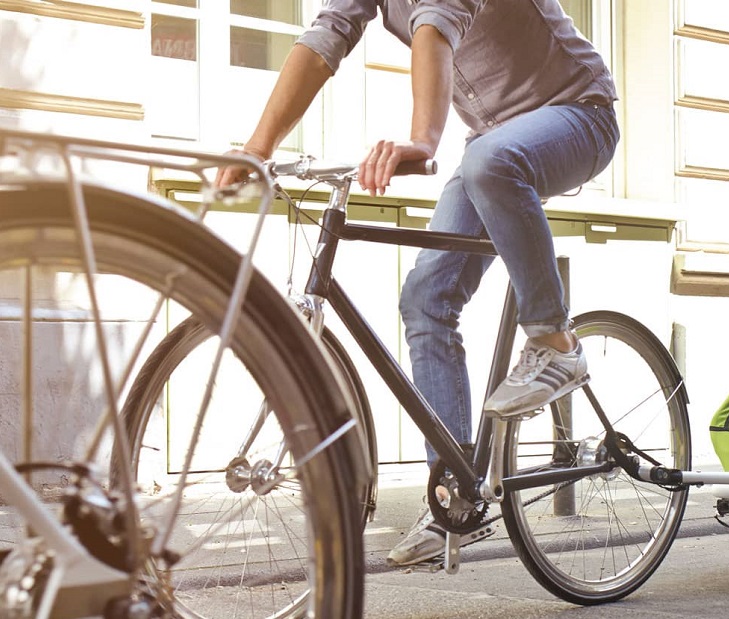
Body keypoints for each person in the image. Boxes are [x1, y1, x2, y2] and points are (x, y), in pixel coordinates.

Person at [217, 1, 619, 567]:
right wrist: (258, 149)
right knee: (426, 298)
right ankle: (454, 498)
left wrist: (423, 142)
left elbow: (436, 21)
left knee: (488, 160)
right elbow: (328, 34)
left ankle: (555, 342)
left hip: (581, 115)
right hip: (494, 140)